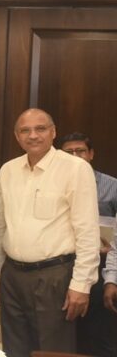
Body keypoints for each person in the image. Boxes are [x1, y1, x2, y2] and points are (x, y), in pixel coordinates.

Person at [0, 109, 100, 357]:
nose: (33, 135)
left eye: (41, 129)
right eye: (25, 130)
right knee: (14, 349)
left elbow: (87, 231)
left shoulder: (76, 168)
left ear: (53, 132)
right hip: (12, 276)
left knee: (52, 350)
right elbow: (0, 225)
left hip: (54, 277)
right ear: (17, 136)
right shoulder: (8, 170)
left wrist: (82, 284)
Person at [59, 132, 117, 357]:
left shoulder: (112, 186)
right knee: (68, 331)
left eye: (80, 151)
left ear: (91, 154)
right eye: (69, 152)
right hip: (63, 265)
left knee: (99, 333)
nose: (75, 156)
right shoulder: (55, 184)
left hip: (102, 266)